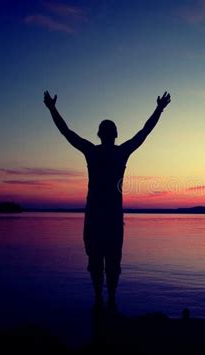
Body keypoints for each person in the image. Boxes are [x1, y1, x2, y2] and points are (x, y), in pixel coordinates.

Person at [44, 90, 171, 312]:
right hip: (107, 218)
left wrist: (52, 109)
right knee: (108, 262)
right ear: (114, 134)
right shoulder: (118, 152)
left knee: (100, 262)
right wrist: (158, 109)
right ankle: (108, 300)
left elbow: (67, 133)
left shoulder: (93, 152)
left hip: (98, 217)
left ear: (100, 134)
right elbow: (144, 132)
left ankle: (102, 299)